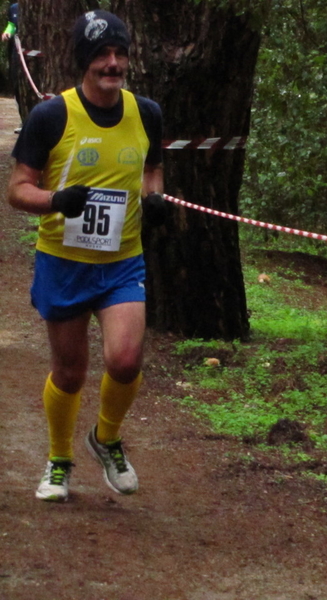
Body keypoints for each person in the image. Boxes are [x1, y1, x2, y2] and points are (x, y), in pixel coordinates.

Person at [7, 10, 167, 502]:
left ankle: (108, 438)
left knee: (124, 359)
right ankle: (58, 461)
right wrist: (56, 200)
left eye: (119, 54)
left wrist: (154, 198)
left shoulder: (147, 113)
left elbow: (153, 170)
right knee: (70, 371)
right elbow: (16, 190)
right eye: (102, 55)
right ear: (85, 62)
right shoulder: (53, 116)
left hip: (122, 261)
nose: (113, 64)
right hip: (65, 260)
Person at [2, 2, 19, 128]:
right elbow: (11, 25)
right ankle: (23, 119)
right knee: (17, 84)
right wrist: (7, 32)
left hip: (34, 53)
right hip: (16, 52)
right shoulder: (14, 7)